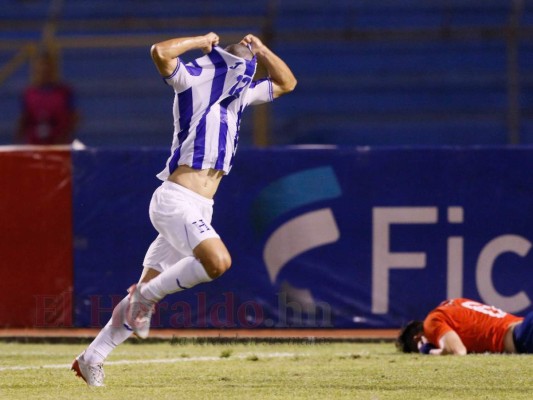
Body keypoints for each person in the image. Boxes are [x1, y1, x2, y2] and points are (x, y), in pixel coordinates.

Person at [71, 32, 297, 387]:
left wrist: (264, 48)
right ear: (229, 66)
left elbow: (286, 83)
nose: (249, 78)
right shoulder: (193, 84)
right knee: (217, 263)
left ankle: (91, 359)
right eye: (245, 69)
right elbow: (159, 52)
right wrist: (202, 41)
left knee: (141, 298)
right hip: (175, 199)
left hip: (201, 206)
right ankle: (146, 295)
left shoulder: (237, 99)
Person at [396, 298, 533, 355]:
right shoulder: (454, 303)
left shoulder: (431, 323)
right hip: (524, 325)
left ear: (417, 338)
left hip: (521, 338)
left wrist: (427, 350)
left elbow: (458, 351)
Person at [15, 49, 78, 145]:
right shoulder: (28, 94)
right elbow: (24, 119)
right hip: (35, 146)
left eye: (47, 66)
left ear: (53, 69)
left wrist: (63, 137)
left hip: (58, 146)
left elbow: (74, 117)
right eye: (41, 66)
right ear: (35, 69)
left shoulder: (64, 92)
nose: (44, 70)